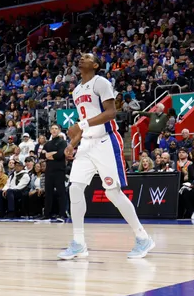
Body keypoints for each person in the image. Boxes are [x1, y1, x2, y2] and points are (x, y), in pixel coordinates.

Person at [59, 53, 154, 260]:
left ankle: (143, 237)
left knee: (113, 193)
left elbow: (111, 113)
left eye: (86, 57)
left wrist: (80, 125)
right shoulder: (76, 91)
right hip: (86, 144)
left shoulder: (100, 82)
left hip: (106, 141)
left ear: (95, 64)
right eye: (80, 57)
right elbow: (84, 122)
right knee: (75, 188)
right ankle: (78, 243)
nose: (80, 58)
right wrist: (72, 144)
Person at [42, 124, 68, 221]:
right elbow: (41, 155)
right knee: (48, 193)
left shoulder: (63, 142)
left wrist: (48, 155)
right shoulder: (47, 143)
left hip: (59, 170)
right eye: (52, 128)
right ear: (50, 130)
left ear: (59, 130)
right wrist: (52, 154)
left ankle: (62, 213)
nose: (54, 130)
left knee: (61, 193)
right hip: (49, 170)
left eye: (56, 128)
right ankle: (47, 214)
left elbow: (60, 155)